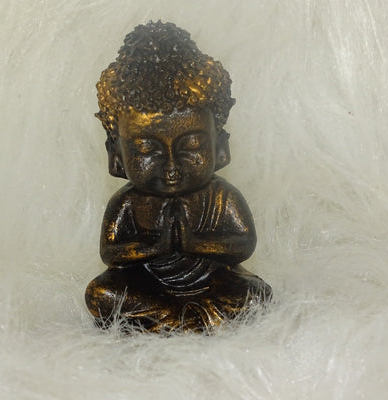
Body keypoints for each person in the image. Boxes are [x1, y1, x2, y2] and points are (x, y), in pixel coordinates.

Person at [85, 21, 271, 332]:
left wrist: (192, 243)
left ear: (221, 149)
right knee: (101, 292)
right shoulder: (127, 203)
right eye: (147, 149)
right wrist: (156, 247)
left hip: (210, 281)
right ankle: (179, 317)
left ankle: (167, 319)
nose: (171, 167)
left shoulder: (221, 197)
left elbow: (244, 244)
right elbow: (111, 254)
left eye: (192, 145)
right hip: (147, 283)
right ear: (116, 157)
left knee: (255, 293)